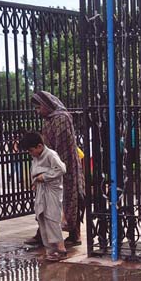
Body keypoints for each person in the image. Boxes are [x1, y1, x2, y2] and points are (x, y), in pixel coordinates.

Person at [30, 91, 85, 246]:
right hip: (50, 164)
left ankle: (75, 234)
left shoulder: (62, 119)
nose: (38, 111)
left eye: (39, 107)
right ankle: (42, 233)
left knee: (70, 198)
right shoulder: (48, 120)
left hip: (65, 165)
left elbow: (64, 146)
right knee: (45, 200)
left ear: (47, 105)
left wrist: (54, 166)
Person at [19, 131, 67, 261]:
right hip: (41, 189)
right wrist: (35, 181)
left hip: (51, 190)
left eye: (31, 150)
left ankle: (60, 248)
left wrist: (44, 177)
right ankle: (50, 249)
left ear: (39, 146)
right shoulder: (36, 157)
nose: (30, 153)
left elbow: (61, 169)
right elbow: (34, 170)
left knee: (52, 218)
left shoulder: (51, 155)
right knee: (42, 217)